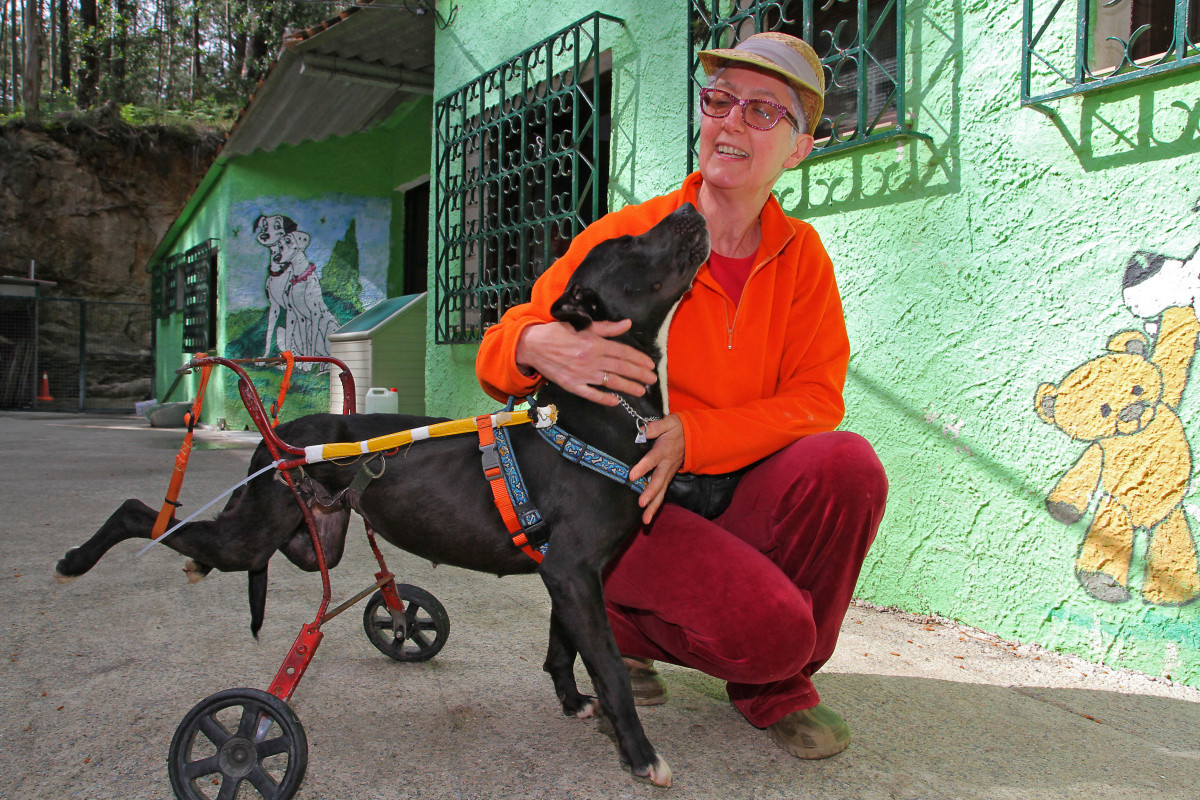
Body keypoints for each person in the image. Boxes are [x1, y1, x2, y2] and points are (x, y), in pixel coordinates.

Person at [476, 31, 887, 759]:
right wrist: (535, 344)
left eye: (763, 111)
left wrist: (695, 435)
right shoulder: (634, 236)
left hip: (731, 480)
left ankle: (776, 686)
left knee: (847, 466)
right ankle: (612, 622)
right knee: (771, 631)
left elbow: (818, 398)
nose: (730, 122)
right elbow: (500, 351)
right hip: (628, 501)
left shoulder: (801, 258)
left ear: (799, 147)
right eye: (719, 100)